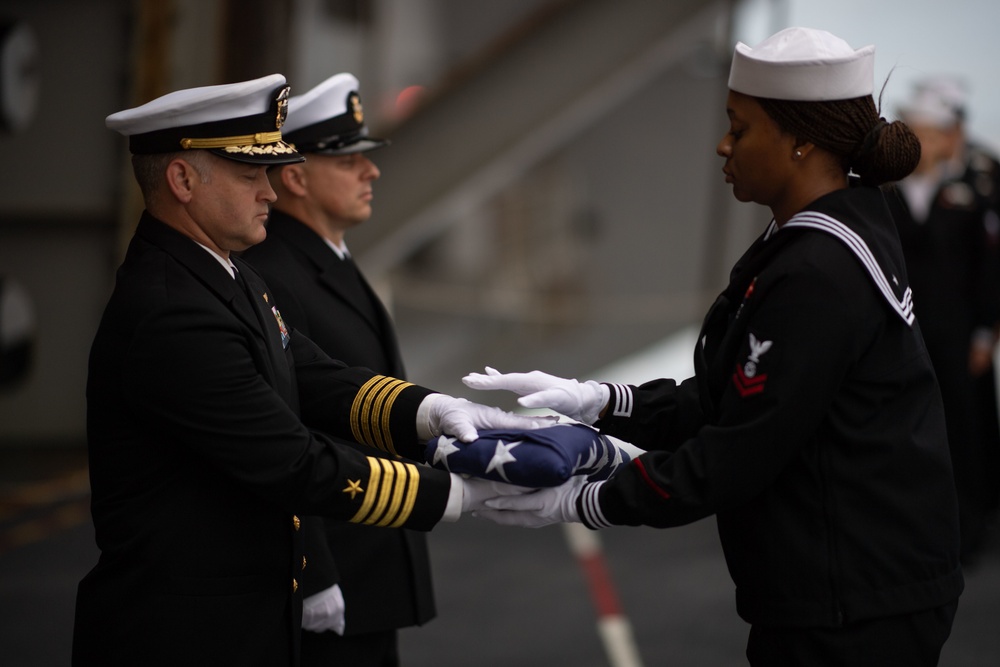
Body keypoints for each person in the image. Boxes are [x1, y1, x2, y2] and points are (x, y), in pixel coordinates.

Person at [463, 28, 964, 666]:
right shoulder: (834, 227)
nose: (723, 145)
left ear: (800, 140)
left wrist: (585, 499)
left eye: (740, 127)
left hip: (853, 603)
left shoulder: (817, 271)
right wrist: (600, 401)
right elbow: (737, 390)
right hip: (855, 580)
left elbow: (739, 449)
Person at [73, 73, 545, 667]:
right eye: (251, 176)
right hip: (182, 634)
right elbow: (291, 460)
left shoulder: (225, 273)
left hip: (239, 620)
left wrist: (430, 412)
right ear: (183, 179)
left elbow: (313, 373)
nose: (269, 193)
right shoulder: (172, 311)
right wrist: (459, 494)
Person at [241, 73, 433, 665]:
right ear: (295, 177)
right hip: (338, 571)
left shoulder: (330, 259)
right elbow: (281, 435)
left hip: (371, 553)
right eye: (349, 160)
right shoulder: (276, 275)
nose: (370, 172)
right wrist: (311, 571)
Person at [888, 76, 1000, 563]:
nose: (923, 142)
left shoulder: (973, 186)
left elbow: (989, 266)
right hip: (905, 332)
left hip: (957, 333)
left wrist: (985, 330)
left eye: (930, 132)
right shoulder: (888, 187)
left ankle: (970, 527)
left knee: (964, 426)